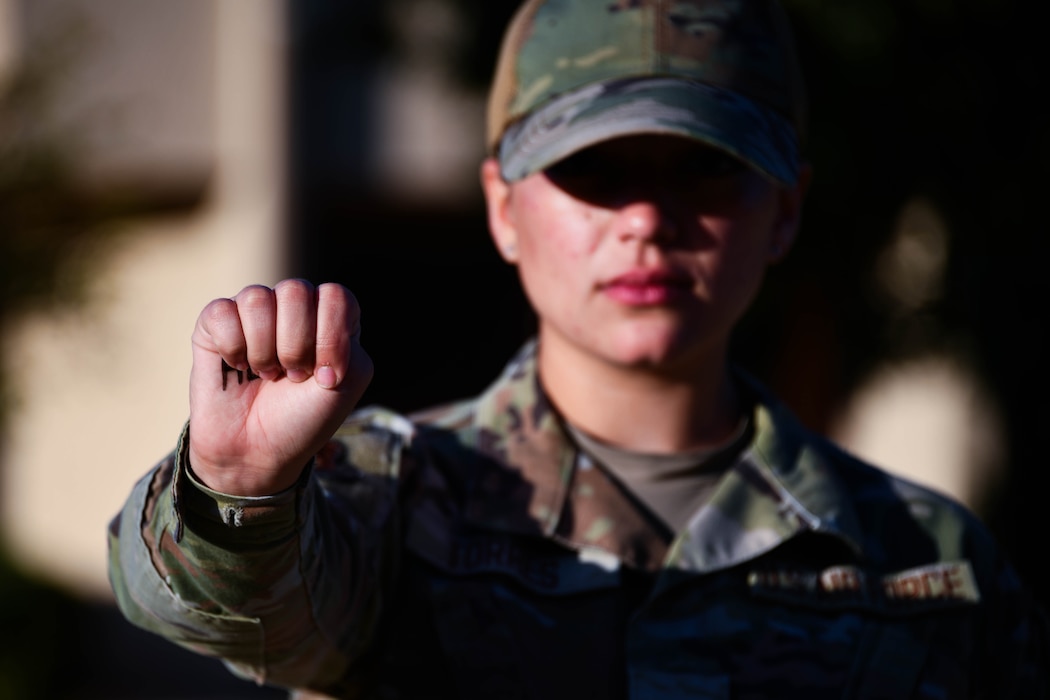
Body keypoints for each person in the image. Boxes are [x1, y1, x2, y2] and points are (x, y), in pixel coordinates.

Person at [107, 0, 1047, 698]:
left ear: (787, 209)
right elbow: (208, 603)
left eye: (705, 164)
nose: (645, 218)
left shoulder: (927, 562)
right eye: (591, 170)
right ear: (503, 208)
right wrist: (235, 490)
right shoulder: (391, 506)